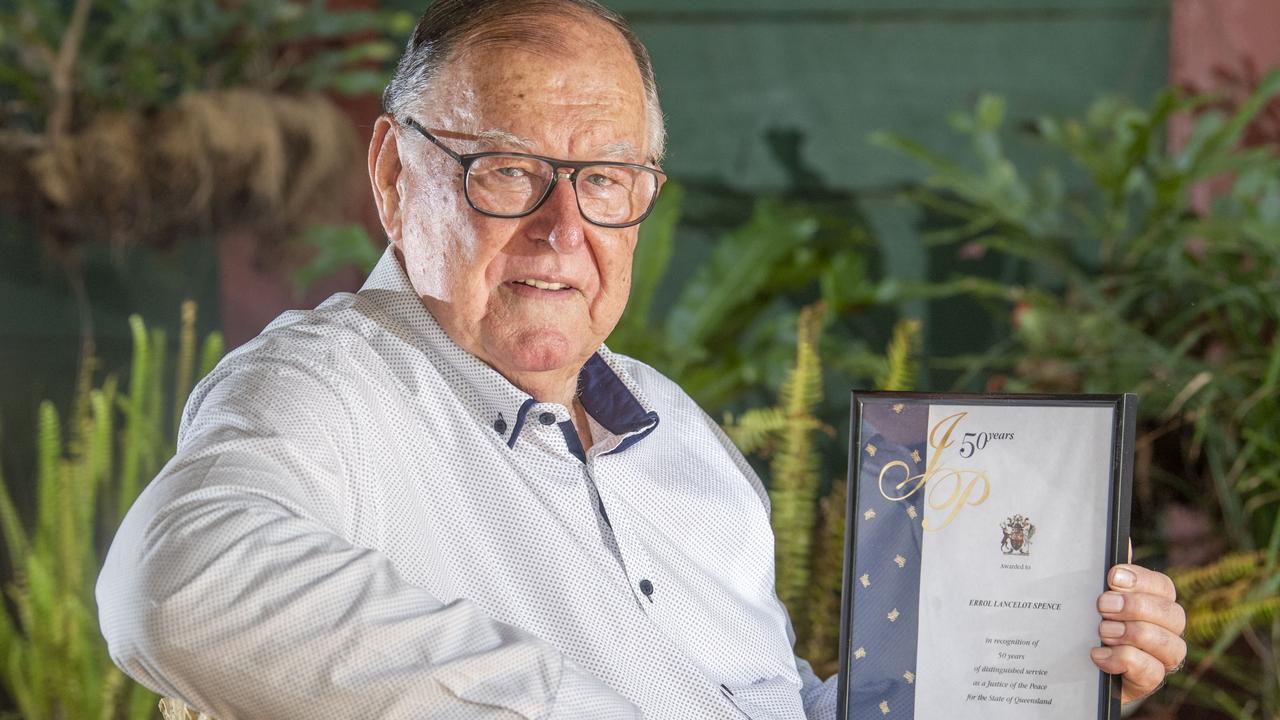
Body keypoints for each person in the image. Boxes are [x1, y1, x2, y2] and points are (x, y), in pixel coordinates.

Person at [96, 1, 1188, 718]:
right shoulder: (327, 388)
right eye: (506, 171)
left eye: (606, 181)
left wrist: (1044, 671)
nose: (562, 233)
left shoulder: (677, 438)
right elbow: (174, 587)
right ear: (393, 174)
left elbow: (764, 701)